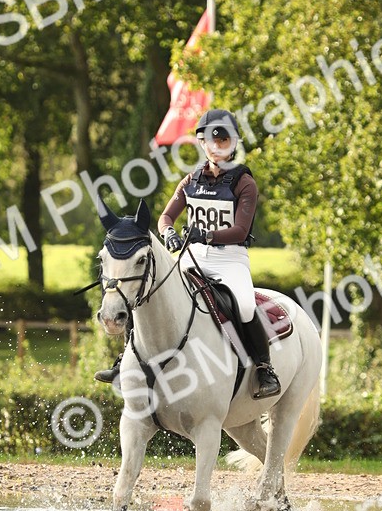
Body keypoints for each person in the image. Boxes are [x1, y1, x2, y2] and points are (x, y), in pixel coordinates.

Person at [94, 109, 281, 400]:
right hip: (192, 256)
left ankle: (264, 368)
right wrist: (168, 232)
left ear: (233, 144)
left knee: (244, 304)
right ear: (202, 143)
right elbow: (166, 216)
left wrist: (206, 235)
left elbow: (241, 231)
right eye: (211, 140)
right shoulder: (191, 180)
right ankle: (125, 362)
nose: (217, 146)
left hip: (229, 259)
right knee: (148, 292)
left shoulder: (245, 183)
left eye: (223, 140)